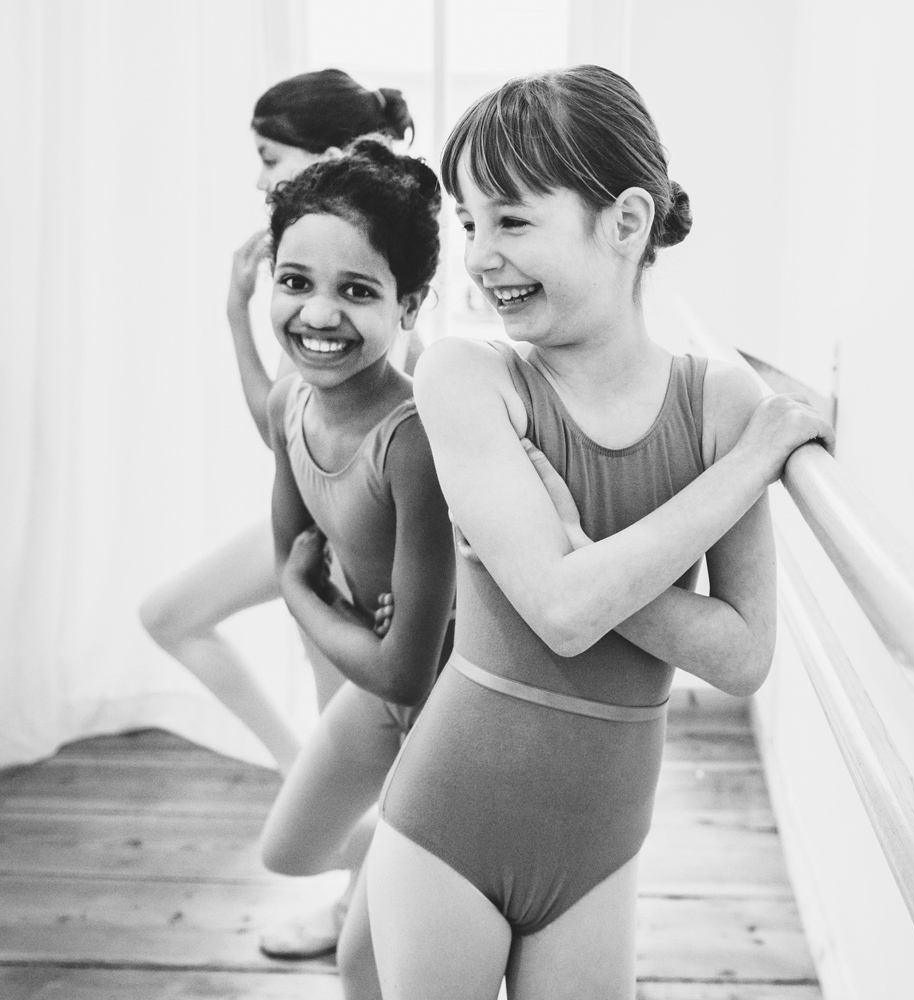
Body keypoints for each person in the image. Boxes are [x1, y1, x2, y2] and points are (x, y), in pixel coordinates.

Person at [365, 65, 832, 999]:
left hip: (603, 851)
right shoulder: (469, 378)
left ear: (624, 223)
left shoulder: (719, 400)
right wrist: (747, 467)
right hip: (449, 823)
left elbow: (743, 655)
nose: (479, 255)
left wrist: (583, 558)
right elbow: (561, 613)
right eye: (469, 225)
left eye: (511, 220)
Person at [136, 69, 420, 962]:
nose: (260, 180)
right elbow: (284, 419)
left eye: (269, 159)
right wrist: (236, 315)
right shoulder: (304, 270)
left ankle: (364, 915)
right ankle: (335, 830)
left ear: (327, 156)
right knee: (172, 614)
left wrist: (328, 586)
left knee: (383, 741)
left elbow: (374, 439)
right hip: (318, 526)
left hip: (361, 550)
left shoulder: (378, 275)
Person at [257, 137, 455, 998]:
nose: (319, 314)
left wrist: (303, 596)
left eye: (358, 290)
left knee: (364, 965)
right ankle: (404, 854)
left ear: (410, 305)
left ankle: (436, 861)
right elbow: (288, 547)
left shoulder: (413, 440)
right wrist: (311, 592)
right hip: (385, 690)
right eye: (296, 281)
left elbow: (408, 666)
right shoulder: (288, 397)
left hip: (449, 711)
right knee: (288, 848)